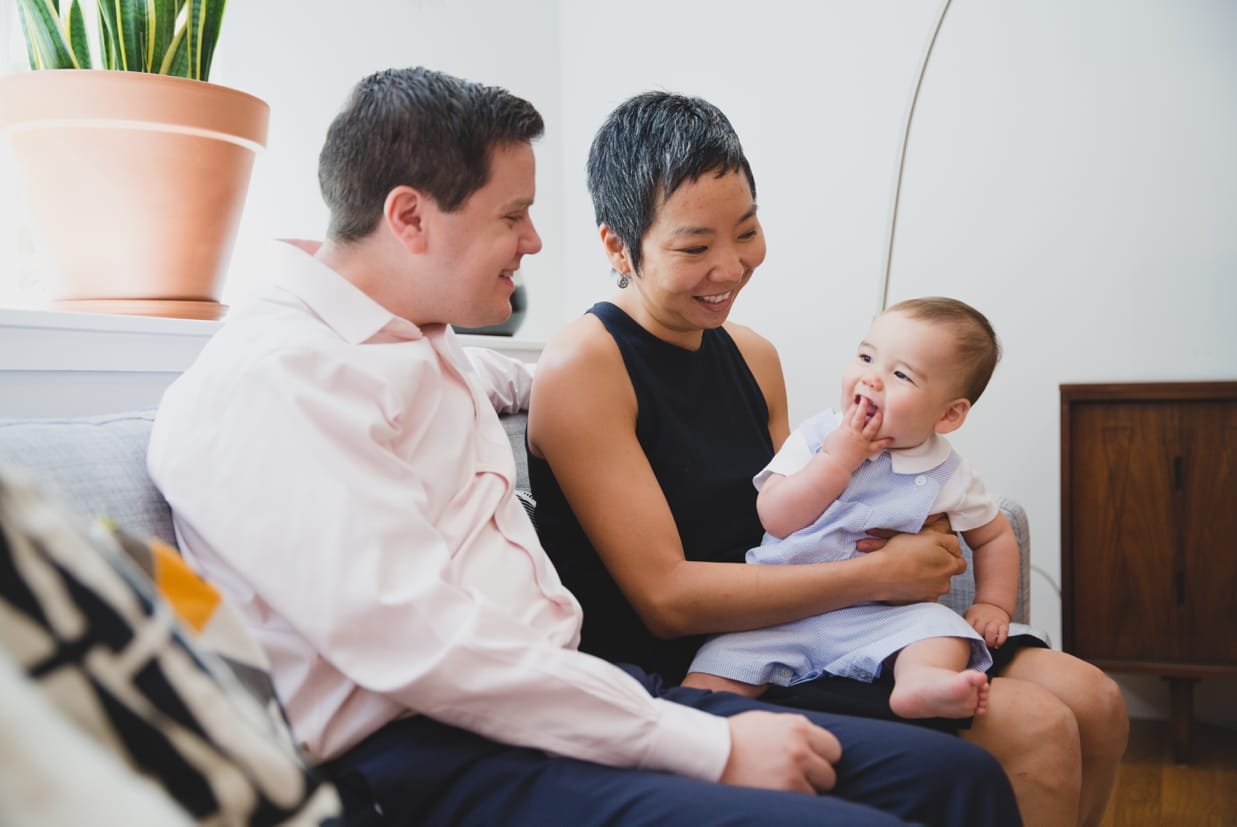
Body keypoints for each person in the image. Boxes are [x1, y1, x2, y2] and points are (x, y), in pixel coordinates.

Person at [147, 67, 1021, 826]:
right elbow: (427, 648)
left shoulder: (407, 337)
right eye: (513, 216)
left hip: (555, 703)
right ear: (409, 217)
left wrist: (569, 380)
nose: (532, 241)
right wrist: (702, 745)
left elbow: (506, 381)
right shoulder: (277, 383)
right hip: (437, 750)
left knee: (959, 782)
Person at [527, 91, 1128, 827]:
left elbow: (814, 503)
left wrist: (916, 528)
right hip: (715, 657)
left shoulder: (752, 353)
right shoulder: (583, 368)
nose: (731, 265)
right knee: (1036, 724)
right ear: (619, 247)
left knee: (1097, 703)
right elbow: (668, 599)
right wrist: (878, 573)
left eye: (746, 230)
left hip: (833, 612)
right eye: (694, 247)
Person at [683, 297, 1021, 722]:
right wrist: (836, 462)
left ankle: (921, 683)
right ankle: (687, 728)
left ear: (949, 414)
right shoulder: (817, 437)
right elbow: (776, 517)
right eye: (866, 357)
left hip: (877, 619)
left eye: (900, 374)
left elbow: (993, 533)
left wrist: (993, 603)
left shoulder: (948, 472)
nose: (872, 379)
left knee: (942, 629)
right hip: (779, 613)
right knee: (713, 672)